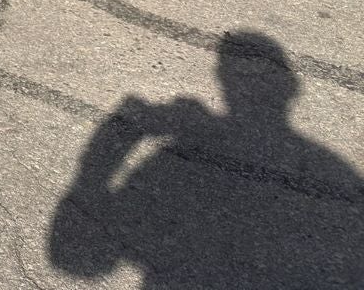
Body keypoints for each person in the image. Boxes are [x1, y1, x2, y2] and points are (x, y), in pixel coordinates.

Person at [49, 31, 364, 289]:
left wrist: (98, 166)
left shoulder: (333, 172)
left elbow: (74, 260)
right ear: (292, 89)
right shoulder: (337, 173)